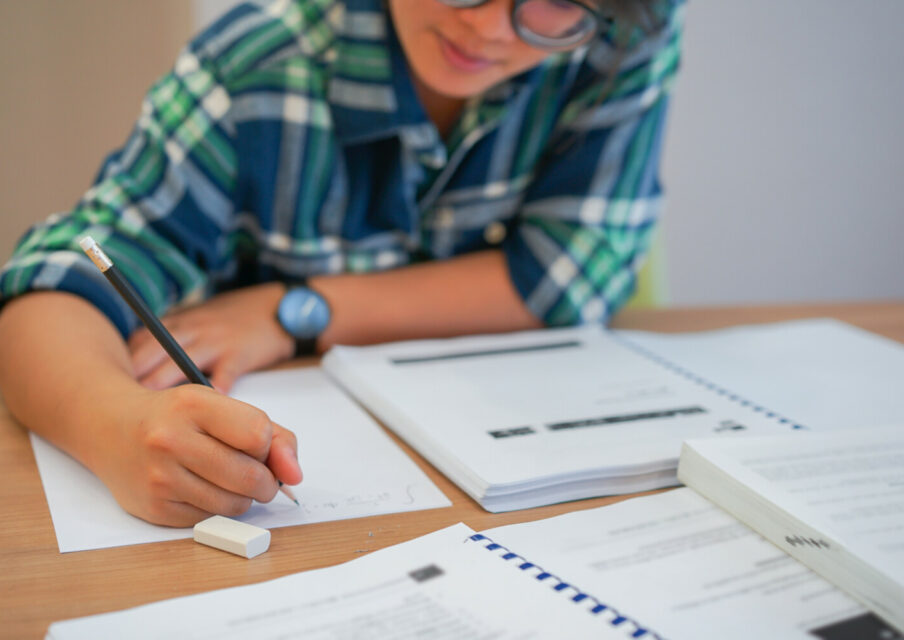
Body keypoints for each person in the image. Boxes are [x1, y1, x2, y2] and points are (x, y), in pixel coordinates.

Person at [0, 0, 682, 526]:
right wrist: (116, 426)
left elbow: (570, 273)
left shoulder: (618, 36)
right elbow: (60, 280)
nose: (491, 28)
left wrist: (296, 311)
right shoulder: (259, 58)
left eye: (556, 2)